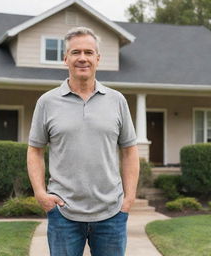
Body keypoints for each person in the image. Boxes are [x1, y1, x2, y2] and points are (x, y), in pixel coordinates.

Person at [27, 27, 140, 256]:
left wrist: (128, 199)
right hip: (63, 214)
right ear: (65, 58)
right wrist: (40, 194)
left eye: (88, 52)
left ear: (98, 58)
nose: (82, 58)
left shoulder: (117, 101)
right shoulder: (47, 102)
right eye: (75, 52)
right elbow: (35, 150)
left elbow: (129, 150)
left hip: (111, 213)